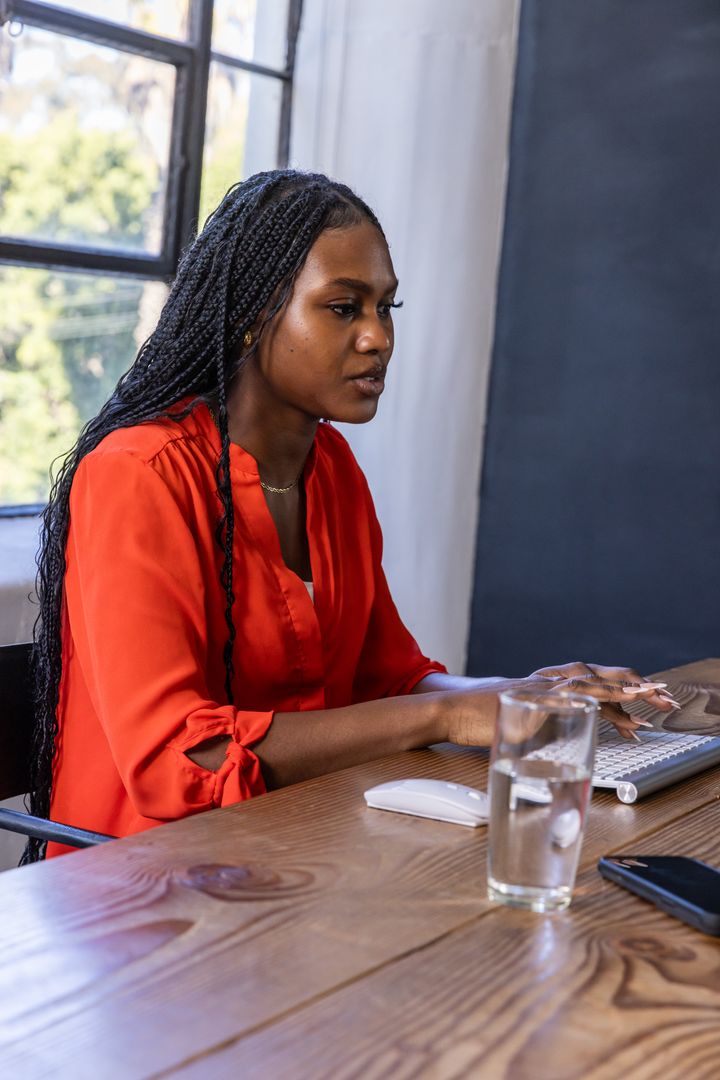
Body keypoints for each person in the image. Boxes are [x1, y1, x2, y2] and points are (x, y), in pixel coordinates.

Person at [25, 170, 676, 862]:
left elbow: (386, 676)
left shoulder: (331, 469)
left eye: (387, 308)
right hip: (140, 886)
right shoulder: (139, 473)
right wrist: (450, 711)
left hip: (297, 848)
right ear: (251, 315)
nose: (378, 338)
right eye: (343, 308)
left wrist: (520, 697)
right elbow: (180, 760)